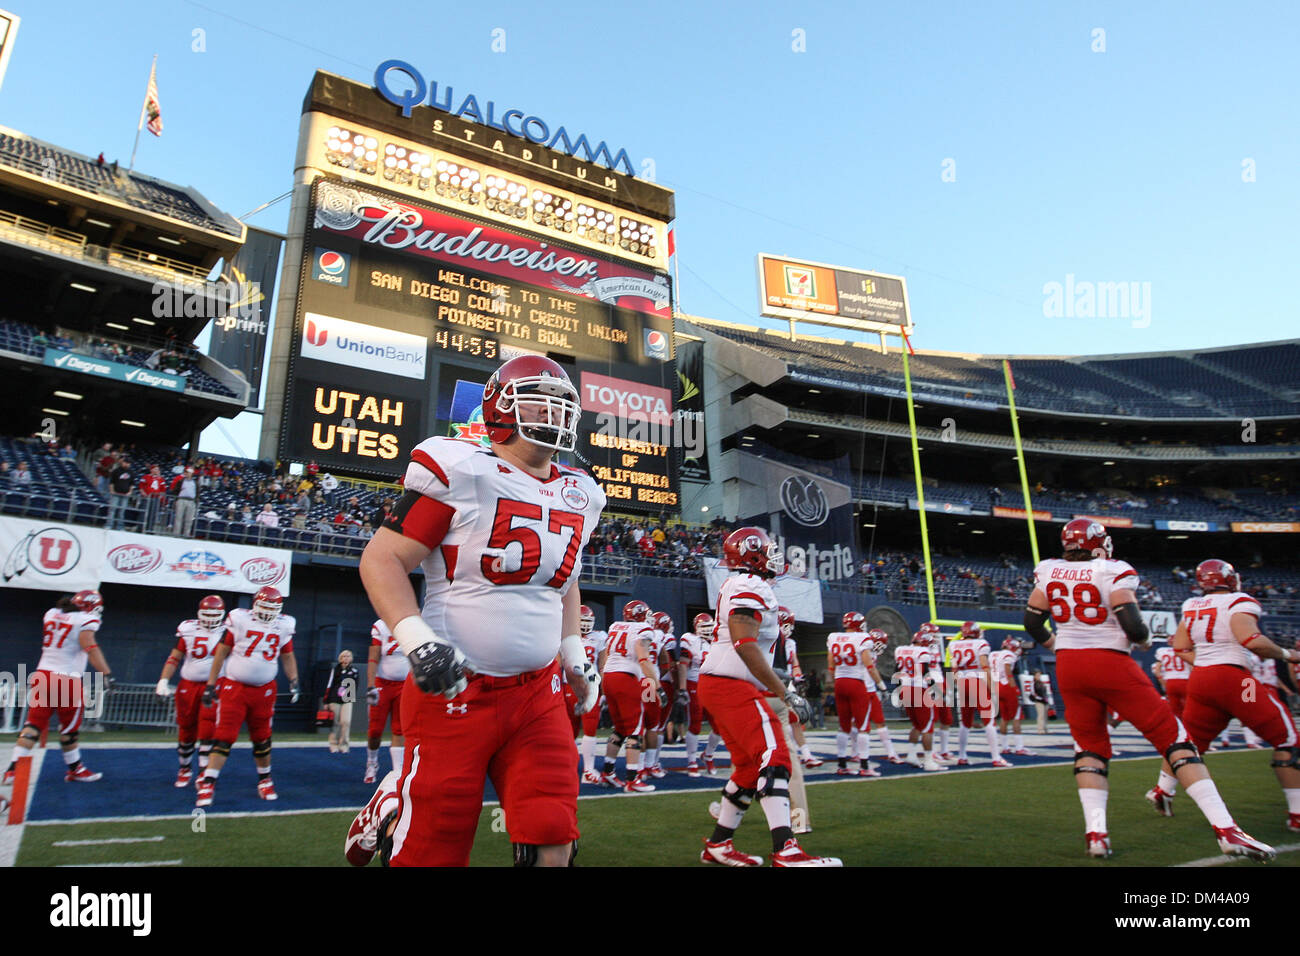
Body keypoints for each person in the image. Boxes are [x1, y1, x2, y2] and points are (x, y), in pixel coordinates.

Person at [347, 355, 605, 867]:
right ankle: (397, 798)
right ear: (499, 406)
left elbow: (565, 581)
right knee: (434, 849)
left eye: (561, 403)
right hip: (456, 688)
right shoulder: (460, 468)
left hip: (538, 692)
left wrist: (572, 650)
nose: (552, 411)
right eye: (538, 398)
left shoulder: (582, 493)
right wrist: (418, 640)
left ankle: (400, 789)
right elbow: (382, 559)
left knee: (553, 835)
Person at [1023, 519, 1273, 861]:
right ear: (1099, 544)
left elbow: (1033, 621)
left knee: (1089, 749)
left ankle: (1096, 835)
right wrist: (1143, 640)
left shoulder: (1049, 570)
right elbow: (1131, 621)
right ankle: (1227, 831)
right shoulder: (1113, 570)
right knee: (1176, 740)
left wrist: (1059, 647)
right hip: (1110, 662)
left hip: (1069, 666)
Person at [697, 526, 839, 867]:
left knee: (747, 767)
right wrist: (785, 693)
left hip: (722, 682)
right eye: (768, 549)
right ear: (751, 552)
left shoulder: (744, 583)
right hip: (731, 684)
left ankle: (718, 846)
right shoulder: (750, 584)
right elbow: (744, 643)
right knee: (775, 754)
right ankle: (786, 849)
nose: (775, 556)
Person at [1145, 559, 1300, 831]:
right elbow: (1252, 640)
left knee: (1188, 744)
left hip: (1202, 681)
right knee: (1287, 739)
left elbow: (1181, 647)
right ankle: (1297, 813)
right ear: (1229, 579)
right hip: (1238, 682)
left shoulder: (1191, 604)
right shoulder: (1239, 601)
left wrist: (1207, 665)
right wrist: (1290, 654)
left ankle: (1163, 790)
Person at [195, 586, 300, 807]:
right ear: (255, 604)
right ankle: (208, 782)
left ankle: (265, 780)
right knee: (224, 736)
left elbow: (288, 656)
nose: (268, 611)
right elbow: (221, 652)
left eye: (273, 607)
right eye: (265, 606)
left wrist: (294, 680)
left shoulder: (284, 625)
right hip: (236, 687)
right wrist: (211, 684)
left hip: (265, 690)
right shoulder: (240, 619)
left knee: (262, 738)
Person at [3, 591, 112, 786]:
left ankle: (12, 770)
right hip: (67, 679)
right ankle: (75, 769)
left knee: (33, 725)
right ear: (89, 607)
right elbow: (89, 646)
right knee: (69, 730)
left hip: (43, 675)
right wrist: (106, 673)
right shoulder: (85, 620)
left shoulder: (51, 613)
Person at [154, 595, 227, 786]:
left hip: (215, 685)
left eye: (215, 614)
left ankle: (203, 772)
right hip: (188, 685)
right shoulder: (188, 628)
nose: (211, 618)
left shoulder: (229, 631)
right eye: (207, 613)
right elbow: (174, 657)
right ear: (199, 613)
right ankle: (185, 768)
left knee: (208, 729)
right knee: (186, 730)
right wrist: (163, 680)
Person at [598, 599, 661, 792]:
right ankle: (633, 780)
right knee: (635, 730)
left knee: (620, 728)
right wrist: (657, 687)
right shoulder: (643, 630)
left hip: (608, 676)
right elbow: (643, 659)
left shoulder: (615, 626)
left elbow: (607, 654)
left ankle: (608, 772)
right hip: (626, 678)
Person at [827, 612, 886, 775]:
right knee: (863, 727)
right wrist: (881, 686)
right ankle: (865, 767)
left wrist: (835, 681)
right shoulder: (862, 638)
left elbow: (830, 664)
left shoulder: (833, 637)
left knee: (844, 726)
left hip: (840, 682)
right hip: (856, 683)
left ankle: (842, 765)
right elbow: (869, 666)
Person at [893, 628, 945, 771]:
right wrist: (934, 690)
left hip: (905, 689)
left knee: (917, 725)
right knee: (928, 727)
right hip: (918, 690)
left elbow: (895, 670)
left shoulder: (900, 650)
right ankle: (929, 761)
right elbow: (925, 674)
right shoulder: (923, 652)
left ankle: (911, 755)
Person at [567, 605, 608, 783]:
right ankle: (566, 767)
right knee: (570, 730)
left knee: (590, 729)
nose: (584, 625)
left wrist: (604, 690)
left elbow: (603, 665)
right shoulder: (567, 635)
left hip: (591, 685)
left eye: (587, 621)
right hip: (568, 686)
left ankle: (589, 770)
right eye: (581, 621)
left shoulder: (599, 637)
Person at [365, 619, 408, 782]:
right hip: (383, 682)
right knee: (375, 730)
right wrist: (370, 686)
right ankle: (372, 762)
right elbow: (373, 657)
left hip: (405, 684)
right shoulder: (381, 626)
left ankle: (398, 770)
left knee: (400, 728)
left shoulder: (412, 623)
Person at [678, 613, 712, 775]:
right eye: (703, 627)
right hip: (695, 682)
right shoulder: (690, 640)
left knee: (720, 725)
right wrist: (683, 688)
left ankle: (709, 755)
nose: (707, 630)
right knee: (695, 721)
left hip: (714, 684)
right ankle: (691, 760)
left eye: (709, 627)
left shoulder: (719, 640)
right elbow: (683, 664)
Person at [990, 638, 1029, 755]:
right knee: (1016, 717)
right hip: (1006, 685)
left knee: (1004, 718)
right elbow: (1007, 670)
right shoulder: (1009, 655)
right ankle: (1019, 747)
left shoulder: (993, 654)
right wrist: (1014, 687)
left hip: (995, 686)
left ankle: (1005, 747)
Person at [322, 650, 360, 753]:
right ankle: (333, 744)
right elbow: (330, 685)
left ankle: (344, 744)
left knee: (346, 722)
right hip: (334, 699)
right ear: (340, 658)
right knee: (335, 722)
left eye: (348, 656)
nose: (346, 658)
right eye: (343, 656)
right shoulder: (336, 670)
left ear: (351, 658)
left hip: (347, 699)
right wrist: (326, 701)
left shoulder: (354, 671)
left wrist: (349, 694)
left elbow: (356, 685)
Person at [1152, 641, 1192, 718]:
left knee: (1175, 710)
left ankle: (1179, 728)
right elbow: (1192, 668)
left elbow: (1157, 671)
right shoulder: (1187, 650)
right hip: (1185, 680)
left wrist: (1164, 684)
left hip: (1170, 682)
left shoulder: (1162, 651)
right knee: (1189, 707)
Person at [170, 466, 198, 537]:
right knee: (178, 517)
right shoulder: (181, 481)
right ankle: (176, 533)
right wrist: (177, 499)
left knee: (189, 519)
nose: (188, 474)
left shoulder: (195, 482)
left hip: (191, 501)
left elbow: (197, 492)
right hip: (181, 499)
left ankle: (186, 534)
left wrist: (196, 501)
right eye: (187, 472)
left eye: (190, 473)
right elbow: (175, 490)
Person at [106, 456, 133, 530]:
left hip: (125, 494)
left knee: (122, 511)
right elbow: (111, 482)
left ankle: (119, 526)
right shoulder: (116, 471)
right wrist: (111, 490)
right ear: (123, 462)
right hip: (116, 493)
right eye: (126, 462)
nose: (127, 464)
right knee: (112, 510)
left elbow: (131, 484)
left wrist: (130, 492)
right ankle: (109, 525)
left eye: (128, 463)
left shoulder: (131, 472)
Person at [138, 464, 167, 532]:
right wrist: (143, 493)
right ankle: (140, 528)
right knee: (143, 513)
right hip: (146, 498)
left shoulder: (161, 479)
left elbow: (163, 490)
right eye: (155, 469)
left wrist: (160, 496)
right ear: (151, 470)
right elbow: (141, 487)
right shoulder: (145, 477)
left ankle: (149, 529)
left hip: (155, 499)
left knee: (153, 514)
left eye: (158, 469)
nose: (157, 471)